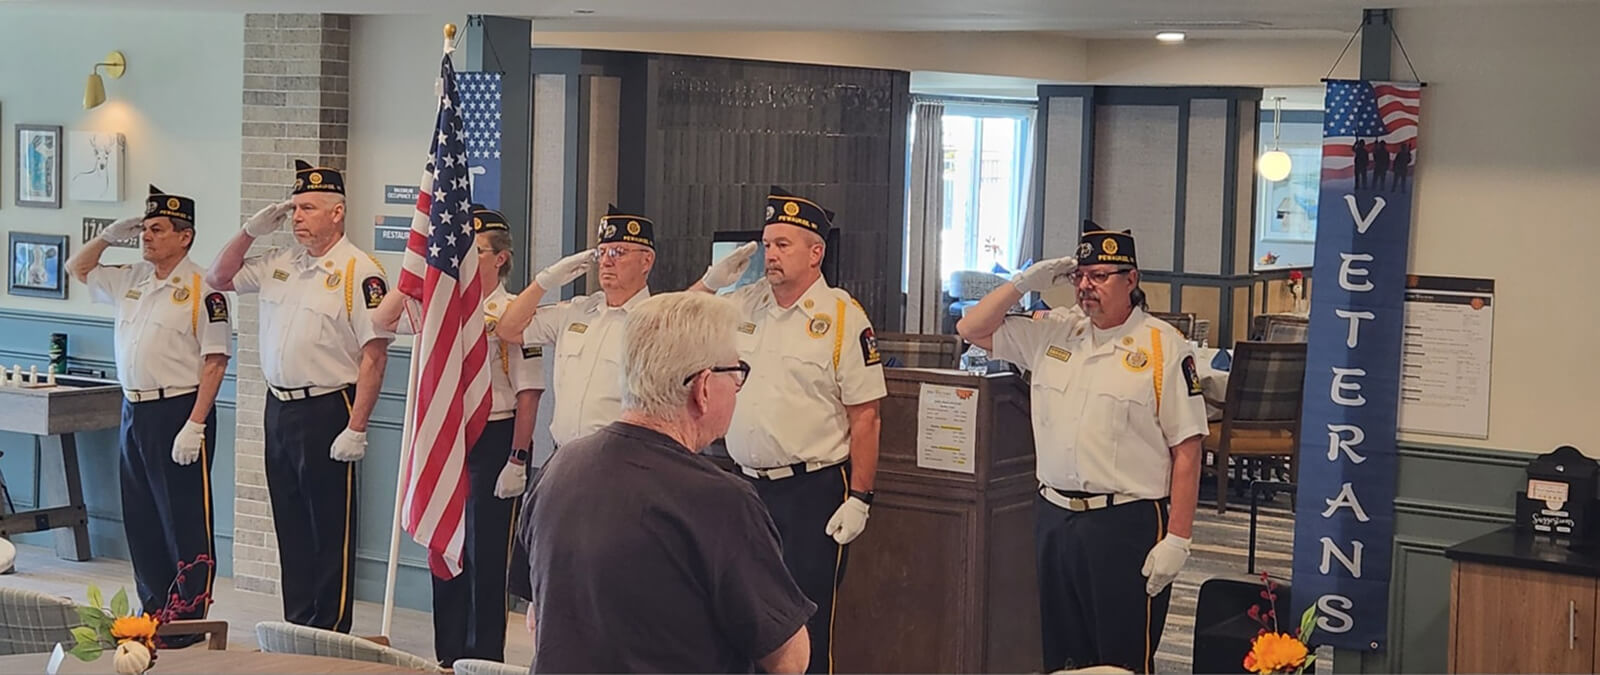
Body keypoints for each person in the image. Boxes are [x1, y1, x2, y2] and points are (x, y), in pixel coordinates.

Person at [956, 220, 1207, 674]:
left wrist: (1179, 538)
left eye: (1100, 276)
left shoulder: (1163, 347)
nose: (1087, 287)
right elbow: (971, 327)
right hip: (1054, 517)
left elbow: (1187, 447)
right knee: (1063, 657)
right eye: (1080, 276)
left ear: (1131, 280)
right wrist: (1022, 283)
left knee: (1121, 658)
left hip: (1125, 521)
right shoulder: (1054, 331)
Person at [520, 291, 814, 673]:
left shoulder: (557, 470)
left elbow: (536, 619)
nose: (738, 386)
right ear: (703, 387)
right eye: (736, 372)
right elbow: (788, 658)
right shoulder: (720, 500)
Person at [692, 186, 885, 674]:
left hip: (812, 490)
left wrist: (860, 497)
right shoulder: (745, 304)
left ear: (816, 252)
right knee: (738, 616)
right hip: (743, 485)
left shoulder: (843, 316)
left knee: (803, 624)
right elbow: (679, 319)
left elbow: (866, 416)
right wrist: (711, 283)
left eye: (783, 244)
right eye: (768, 242)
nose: (770, 254)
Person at [205, 160, 391, 633]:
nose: (297, 217)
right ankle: (297, 623)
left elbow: (374, 355)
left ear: (337, 211)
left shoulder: (360, 270)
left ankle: (328, 629)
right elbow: (217, 278)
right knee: (289, 522)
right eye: (293, 209)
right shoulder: (279, 264)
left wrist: (358, 427)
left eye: (308, 207)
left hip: (330, 406)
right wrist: (249, 232)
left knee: (329, 527)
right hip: (278, 406)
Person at [372, 205, 543, 666]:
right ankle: (447, 656)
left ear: (501, 259)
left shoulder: (512, 311)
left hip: (495, 436)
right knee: (442, 543)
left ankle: (482, 658)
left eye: (478, 252)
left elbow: (528, 392)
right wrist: (415, 274)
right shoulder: (442, 307)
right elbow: (382, 320)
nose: (467, 260)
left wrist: (519, 457)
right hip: (445, 435)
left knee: (486, 558)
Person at [66, 186, 229, 645]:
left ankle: (189, 620)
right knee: (141, 517)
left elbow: (214, 360)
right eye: (144, 229)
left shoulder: (205, 287)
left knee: (183, 519)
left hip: (179, 408)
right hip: (133, 409)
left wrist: (196, 423)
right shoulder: (131, 277)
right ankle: (153, 611)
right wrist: (107, 237)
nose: (147, 237)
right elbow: (76, 268)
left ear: (185, 236)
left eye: (157, 230)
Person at [492, 204, 655, 601]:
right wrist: (544, 282)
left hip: (620, 469)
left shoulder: (656, 318)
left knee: (606, 582)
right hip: (564, 461)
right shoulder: (577, 312)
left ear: (646, 260)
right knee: (552, 576)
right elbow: (509, 328)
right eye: (603, 252)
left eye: (620, 252)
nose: (608, 262)